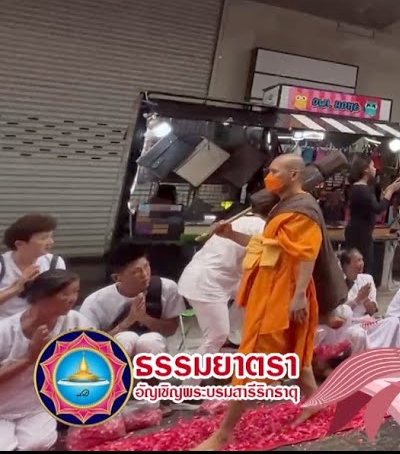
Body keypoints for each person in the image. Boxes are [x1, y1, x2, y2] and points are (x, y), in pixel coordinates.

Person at [195, 153, 347, 450]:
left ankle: (225, 432)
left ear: (293, 175)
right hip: (274, 290)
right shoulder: (282, 206)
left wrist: (299, 295)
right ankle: (315, 400)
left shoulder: (303, 209)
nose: (268, 175)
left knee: (253, 359)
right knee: (294, 350)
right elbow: (269, 248)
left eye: (274, 171)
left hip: (286, 294)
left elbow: (306, 254)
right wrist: (231, 234)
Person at [0, 270, 89, 451]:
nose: (73, 298)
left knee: (36, 445)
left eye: (76, 292)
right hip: (2, 409)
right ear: (41, 296)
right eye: (66, 293)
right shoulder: (5, 331)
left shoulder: (75, 321)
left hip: (37, 406)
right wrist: (29, 359)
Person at [178, 212, 265, 365]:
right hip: (207, 283)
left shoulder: (238, 220)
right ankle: (188, 386)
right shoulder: (262, 227)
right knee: (216, 336)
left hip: (206, 277)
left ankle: (233, 338)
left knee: (256, 292)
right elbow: (261, 253)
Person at [80, 244, 182, 357]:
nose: (145, 274)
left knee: (150, 341)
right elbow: (89, 344)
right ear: (117, 278)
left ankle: (151, 373)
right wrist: (127, 321)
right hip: (112, 353)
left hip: (154, 348)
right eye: (136, 272)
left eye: (146, 266)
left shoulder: (166, 288)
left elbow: (171, 329)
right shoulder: (95, 302)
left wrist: (145, 318)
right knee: (125, 339)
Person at [316, 248, 395, 356]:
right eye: (357, 260)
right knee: (358, 333)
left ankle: (385, 356)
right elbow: (340, 312)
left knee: (393, 322)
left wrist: (366, 300)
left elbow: (372, 311)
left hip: (366, 321)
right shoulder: (336, 283)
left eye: (362, 260)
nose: (361, 263)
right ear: (345, 265)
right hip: (349, 323)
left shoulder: (367, 278)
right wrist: (358, 299)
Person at [344, 155, 400, 284]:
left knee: (359, 264)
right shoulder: (362, 189)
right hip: (360, 234)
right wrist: (391, 191)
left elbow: (373, 205)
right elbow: (379, 208)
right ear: (365, 170)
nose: (375, 168)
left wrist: (386, 192)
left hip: (359, 231)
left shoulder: (359, 188)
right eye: (372, 166)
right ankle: (359, 294)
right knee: (361, 265)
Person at [0, 214, 65, 320]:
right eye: (44, 238)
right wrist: (17, 288)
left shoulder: (54, 262)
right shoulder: (2, 265)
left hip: (39, 324)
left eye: (51, 236)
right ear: (19, 244)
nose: (51, 242)